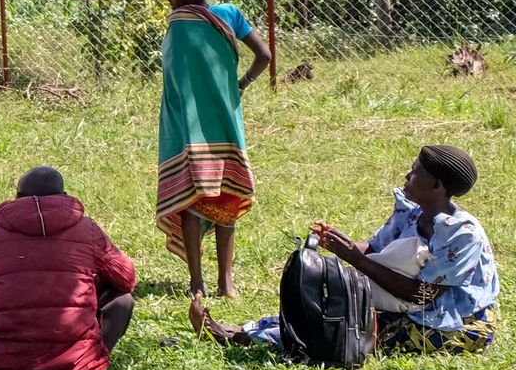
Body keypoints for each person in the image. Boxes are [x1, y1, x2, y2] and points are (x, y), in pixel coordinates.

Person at [201, 145, 498, 354]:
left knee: (342, 329)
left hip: (452, 324)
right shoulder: (412, 213)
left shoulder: (461, 234)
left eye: (414, 172)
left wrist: (353, 258)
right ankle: (244, 330)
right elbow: (377, 247)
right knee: (336, 309)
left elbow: (423, 295)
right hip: (408, 307)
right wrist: (337, 243)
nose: (406, 176)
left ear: (436, 185)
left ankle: (240, 336)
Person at [0, 166, 138, 370]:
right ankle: (90, 362)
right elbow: (126, 279)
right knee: (122, 298)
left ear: (17, 198)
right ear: (65, 197)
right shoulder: (88, 231)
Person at [157, 0, 270, 301]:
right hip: (225, 121)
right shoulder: (230, 14)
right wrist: (242, 84)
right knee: (227, 198)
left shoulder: (179, 23)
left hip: (188, 126)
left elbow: (175, 80)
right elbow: (264, 54)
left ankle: (197, 283)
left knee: (192, 199)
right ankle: (227, 283)